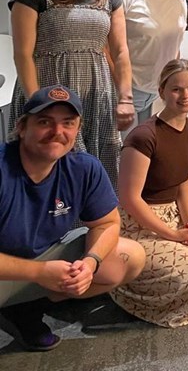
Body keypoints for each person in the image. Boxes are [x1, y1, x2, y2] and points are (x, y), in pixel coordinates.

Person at [0, 86, 145, 352]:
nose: (58, 131)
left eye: (68, 123)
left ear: (77, 130)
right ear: (22, 127)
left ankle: (26, 310)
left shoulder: (84, 167)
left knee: (129, 256)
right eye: (45, 122)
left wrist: (90, 263)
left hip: (45, 259)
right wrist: (40, 272)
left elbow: (107, 223)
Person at [8, 0, 134, 187]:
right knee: (47, 165)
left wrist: (125, 97)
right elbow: (23, 54)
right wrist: (37, 103)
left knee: (98, 166)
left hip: (97, 92)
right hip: (49, 90)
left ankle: (95, 214)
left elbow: (121, 51)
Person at [111, 60, 188, 326]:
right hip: (139, 223)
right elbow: (129, 199)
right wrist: (172, 235)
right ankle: (149, 303)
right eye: (177, 89)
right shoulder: (144, 137)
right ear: (162, 91)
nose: (185, 95)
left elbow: (186, 183)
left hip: (173, 214)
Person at [111, 0, 188, 128]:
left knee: (147, 145)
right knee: (123, 146)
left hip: (158, 91)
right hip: (125, 91)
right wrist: (123, 93)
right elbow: (104, 46)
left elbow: (174, 47)